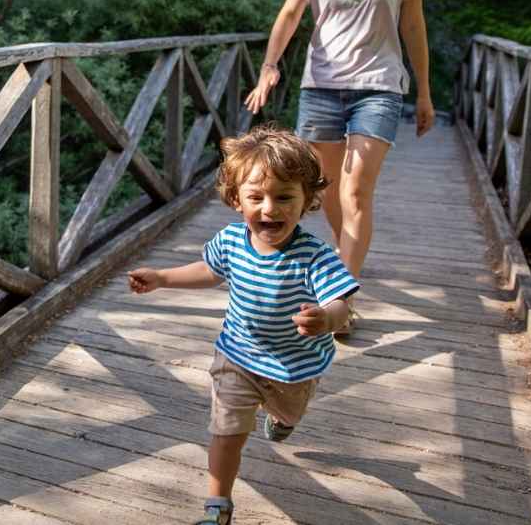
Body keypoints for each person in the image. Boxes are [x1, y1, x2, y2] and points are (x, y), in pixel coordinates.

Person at [127, 125, 359, 525]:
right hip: (236, 355)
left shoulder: (314, 256)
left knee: (289, 415)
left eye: (285, 197)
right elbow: (208, 271)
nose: (270, 209)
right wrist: (164, 277)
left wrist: (327, 319)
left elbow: (342, 302)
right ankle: (218, 506)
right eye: (256, 197)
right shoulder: (232, 241)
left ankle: (281, 419)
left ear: (308, 200)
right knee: (226, 430)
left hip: (293, 367)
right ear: (237, 200)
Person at [243, 0, 434, 333]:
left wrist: (425, 91)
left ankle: (341, 302)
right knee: (324, 190)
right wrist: (270, 67)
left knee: (355, 189)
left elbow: (413, 25)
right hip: (322, 87)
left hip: (379, 87)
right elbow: (290, 15)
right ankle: (346, 248)